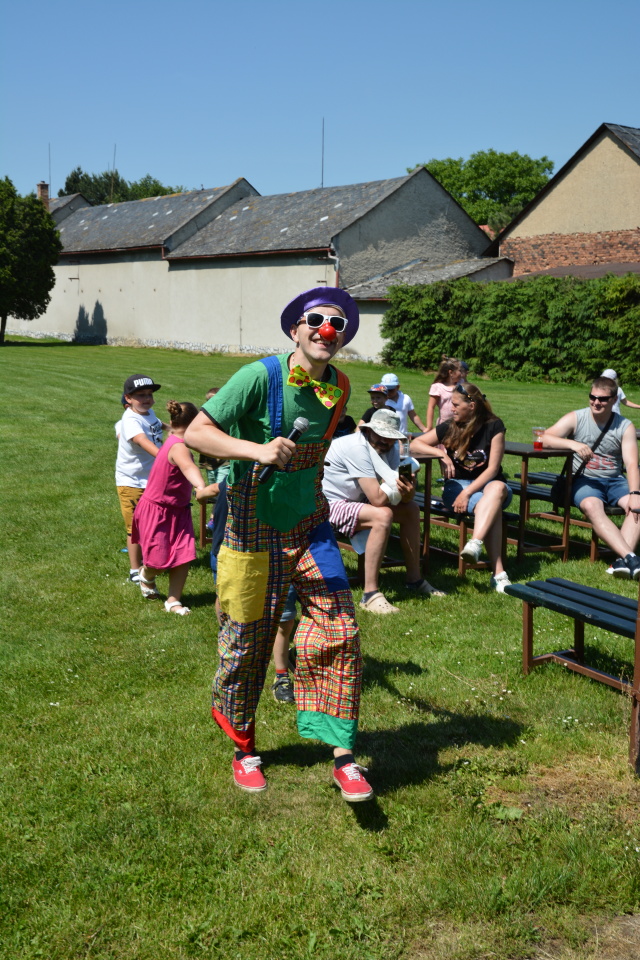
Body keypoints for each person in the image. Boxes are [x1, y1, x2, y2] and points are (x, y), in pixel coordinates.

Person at [184, 287, 373, 802]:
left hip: (309, 523)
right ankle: (244, 749)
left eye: (337, 324)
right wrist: (256, 450)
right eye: (316, 320)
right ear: (295, 329)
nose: (326, 330)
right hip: (251, 526)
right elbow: (196, 433)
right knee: (246, 643)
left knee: (342, 629)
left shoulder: (341, 386)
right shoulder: (258, 376)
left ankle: (344, 757)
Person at [323, 407, 445, 614]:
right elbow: (378, 499)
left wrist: (408, 491)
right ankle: (370, 594)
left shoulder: (391, 448)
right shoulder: (356, 447)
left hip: (358, 500)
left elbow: (399, 494)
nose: (384, 441)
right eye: (380, 434)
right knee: (383, 515)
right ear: (369, 430)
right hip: (329, 505)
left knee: (411, 509)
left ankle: (414, 580)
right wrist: (398, 485)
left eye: (389, 437)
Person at [411, 382, 513, 592]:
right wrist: (440, 453)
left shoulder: (494, 426)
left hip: (487, 485)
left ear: (472, 406)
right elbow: (415, 444)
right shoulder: (450, 426)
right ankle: (499, 574)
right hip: (457, 486)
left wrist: (467, 493)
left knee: (497, 489)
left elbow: (493, 469)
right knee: (492, 507)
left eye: (456, 405)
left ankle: (475, 543)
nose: (451, 409)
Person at [542, 375, 640, 578]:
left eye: (602, 399)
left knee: (638, 507)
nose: (596, 402)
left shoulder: (625, 426)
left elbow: (631, 464)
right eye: (592, 397)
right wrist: (572, 444)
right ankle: (631, 558)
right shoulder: (577, 418)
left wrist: (635, 493)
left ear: (614, 400)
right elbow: (544, 438)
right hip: (584, 480)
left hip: (614, 481)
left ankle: (621, 561)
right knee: (591, 506)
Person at [132, 401, 214, 613]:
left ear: (172, 421)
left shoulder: (176, 438)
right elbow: (189, 467)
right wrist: (200, 486)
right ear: (195, 423)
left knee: (183, 556)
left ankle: (173, 600)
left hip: (178, 510)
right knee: (157, 562)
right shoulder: (178, 447)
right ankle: (145, 574)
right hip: (158, 511)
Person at [115, 375, 165, 584]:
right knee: (135, 528)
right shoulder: (130, 420)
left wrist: (177, 430)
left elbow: (158, 425)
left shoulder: (149, 413)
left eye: (150, 394)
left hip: (152, 478)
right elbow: (142, 441)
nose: (147, 399)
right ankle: (135, 570)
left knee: (154, 523)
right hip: (132, 482)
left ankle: (153, 560)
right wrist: (167, 458)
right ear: (128, 398)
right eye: (141, 395)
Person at [425, 359, 463, 431]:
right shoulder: (438, 387)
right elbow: (431, 407)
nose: (461, 373)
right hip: (444, 425)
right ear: (451, 372)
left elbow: (469, 396)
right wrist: (429, 427)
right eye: (459, 371)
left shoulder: (461, 384)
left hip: (461, 425)